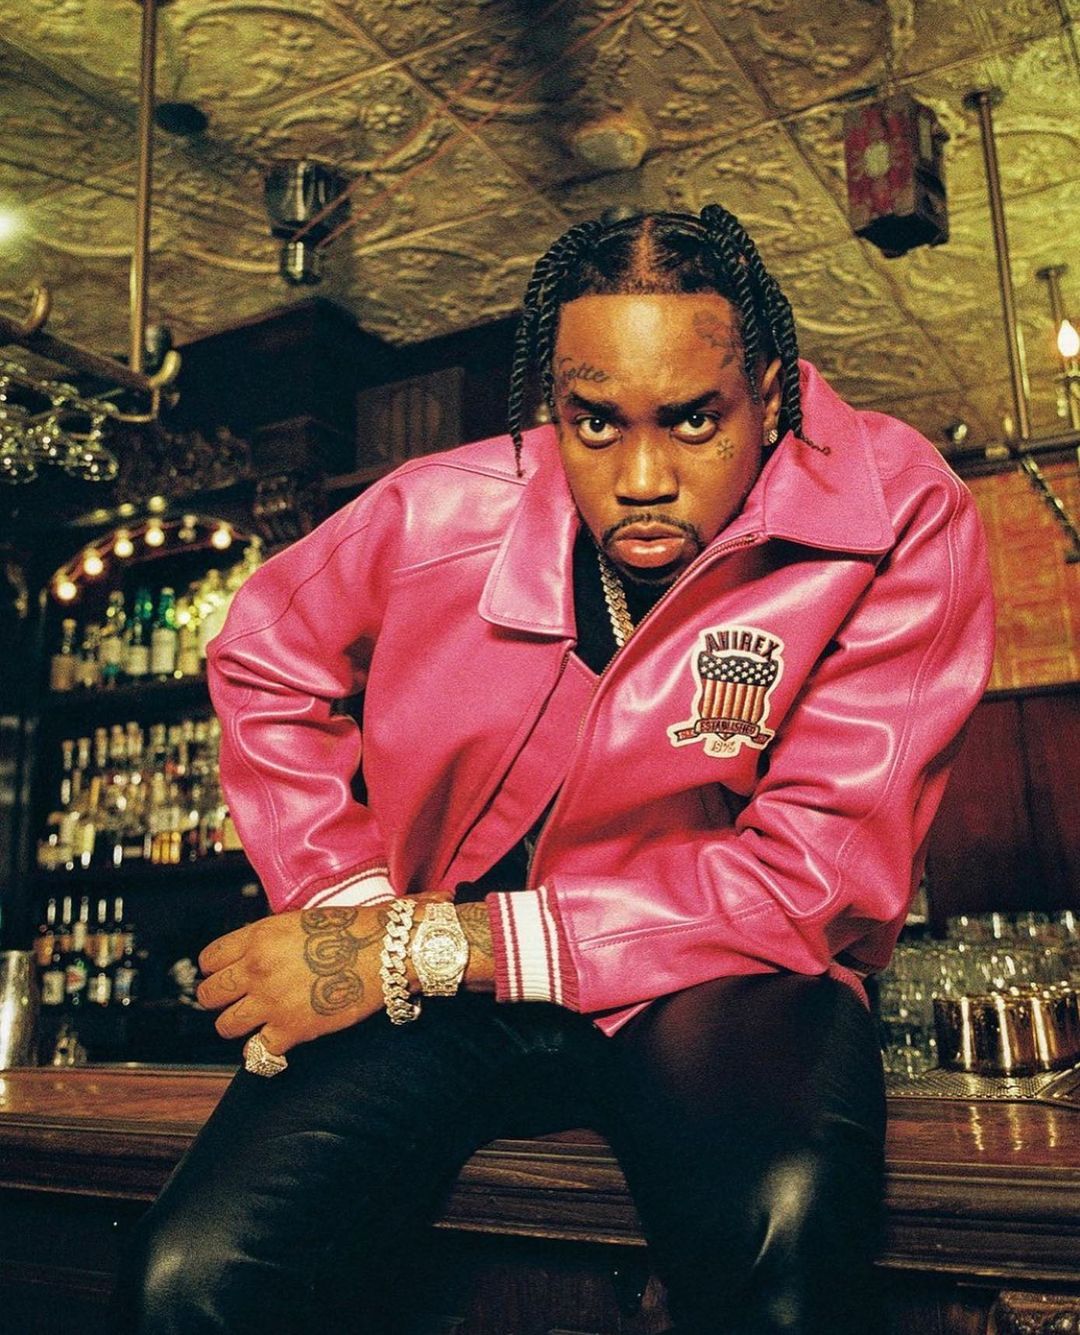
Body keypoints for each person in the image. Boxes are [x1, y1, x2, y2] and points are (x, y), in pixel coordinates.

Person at [114, 206, 995, 1334]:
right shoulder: (441, 509)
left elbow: (811, 880)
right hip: (439, 976)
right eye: (595, 423)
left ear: (770, 396)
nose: (641, 475)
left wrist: (417, 944)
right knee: (188, 1274)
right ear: (553, 408)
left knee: (783, 1228)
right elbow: (261, 656)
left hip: (721, 976)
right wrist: (352, 908)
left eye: (694, 419)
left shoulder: (898, 513)